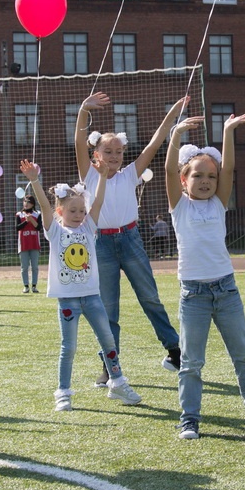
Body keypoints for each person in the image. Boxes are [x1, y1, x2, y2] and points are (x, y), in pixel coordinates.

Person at [166, 111, 245, 440]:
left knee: (244, 355)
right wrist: (176, 135)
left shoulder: (218, 204)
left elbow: (229, 167)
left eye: (211, 177)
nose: (206, 181)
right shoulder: (180, 207)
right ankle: (189, 417)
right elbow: (166, 168)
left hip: (226, 290)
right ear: (183, 179)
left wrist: (228, 131)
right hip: (194, 295)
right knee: (191, 361)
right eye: (198, 176)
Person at [76, 92, 185, 385]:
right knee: (107, 309)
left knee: (150, 297)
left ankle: (175, 351)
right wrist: (83, 111)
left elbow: (156, 141)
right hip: (101, 245)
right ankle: (109, 366)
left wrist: (173, 112)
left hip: (131, 240)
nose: (114, 157)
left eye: (118, 152)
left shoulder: (129, 174)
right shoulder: (88, 175)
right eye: (107, 152)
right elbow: (78, 140)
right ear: (95, 155)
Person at [21, 158, 142, 412]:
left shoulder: (88, 229)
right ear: (60, 213)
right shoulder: (53, 231)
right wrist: (34, 180)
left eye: (81, 211)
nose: (78, 215)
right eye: (72, 211)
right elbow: (43, 204)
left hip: (92, 298)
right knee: (69, 347)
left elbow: (98, 202)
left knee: (108, 340)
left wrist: (101, 176)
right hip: (67, 301)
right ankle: (63, 393)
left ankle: (117, 383)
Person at [16, 194, 43, 294]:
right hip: (23, 244)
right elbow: (17, 228)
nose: (26, 204)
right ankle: (26, 286)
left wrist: (32, 220)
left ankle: (34, 286)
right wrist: (26, 222)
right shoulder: (19, 214)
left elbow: (38, 228)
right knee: (24, 267)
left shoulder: (37, 214)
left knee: (35, 266)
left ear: (32, 204)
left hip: (34, 244)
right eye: (25, 201)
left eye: (28, 202)